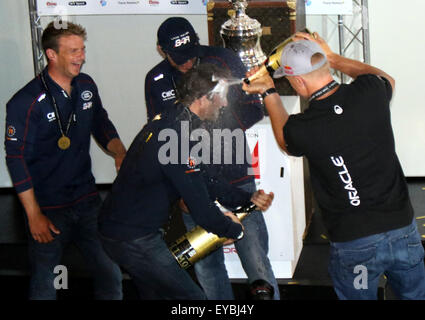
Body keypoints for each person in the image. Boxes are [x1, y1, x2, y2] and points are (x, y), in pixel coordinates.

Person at [242, 31, 425, 300]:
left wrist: (269, 91)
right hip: (403, 232)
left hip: (357, 246)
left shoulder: (304, 129)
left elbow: (283, 139)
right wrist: (334, 58)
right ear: (324, 67)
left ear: (299, 82)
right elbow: (386, 78)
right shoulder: (371, 91)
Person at [98, 63, 274, 300]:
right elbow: (200, 207)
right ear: (204, 98)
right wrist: (234, 230)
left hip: (125, 232)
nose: (224, 104)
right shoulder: (177, 136)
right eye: (220, 98)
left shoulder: (176, 119)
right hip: (133, 239)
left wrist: (245, 198)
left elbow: (204, 178)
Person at [144, 16, 280, 300]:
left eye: (191, 55)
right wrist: (178, 189)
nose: (187, 63)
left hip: (235, 174)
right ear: (161, 50)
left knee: (256, 260)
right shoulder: (155, 80)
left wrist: (220, 128)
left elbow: (254, 108)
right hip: (192, 182)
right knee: (207, 266)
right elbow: (162, 134)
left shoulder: (224, 59)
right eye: (178, 58)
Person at [4, 21, 126, 300]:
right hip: (48, 206)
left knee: (111, 272)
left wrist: (119, 151)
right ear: (51, 54)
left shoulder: (86, 85)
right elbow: (15, 158)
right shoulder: (26, 101)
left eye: (82, 49)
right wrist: (34, 215)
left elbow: (100, 122)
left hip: (87, 200)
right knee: (46, 281)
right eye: (72, 51)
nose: (81, 57)